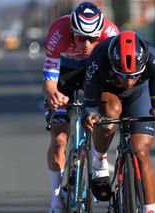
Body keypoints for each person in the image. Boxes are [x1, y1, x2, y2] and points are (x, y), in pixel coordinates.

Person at [41, 2, 119, 212]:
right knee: (59, 139)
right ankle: (56, 202)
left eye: (92, 38)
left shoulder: (110, 33)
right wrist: (54, 96)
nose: (86, 44)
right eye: (80, 38)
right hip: (63, 75)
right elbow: (49, 84)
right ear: (72, 32)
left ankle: (97, 159)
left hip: (92, 71)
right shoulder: (58, 31)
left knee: (104, 114)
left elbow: (114, 81)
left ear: (100, 34)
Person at [82, 31, 155, 213]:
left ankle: (150, 210)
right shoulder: (99, 56)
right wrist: (90, 114)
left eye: (134, 75)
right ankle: (99, 160)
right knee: (111, 112)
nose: (128, 81)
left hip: (140, 95)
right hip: (109, 93)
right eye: (121, 75)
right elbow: (90, 102)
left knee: (141, 151)